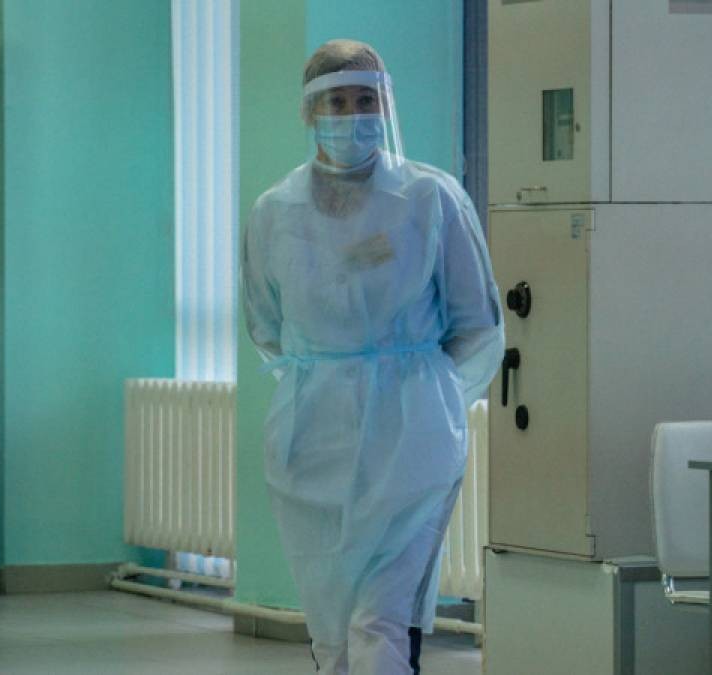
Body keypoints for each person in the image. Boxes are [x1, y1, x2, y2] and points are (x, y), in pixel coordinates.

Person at [241, 39, 504, 675]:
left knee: (379, 618)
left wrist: (421, 392)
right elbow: (266, 324)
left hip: (412, 434)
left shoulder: (430, 199)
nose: (353, 115)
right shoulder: (275, 212)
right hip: (313, 438)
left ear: (386, 106)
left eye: (366, 100)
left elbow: (477, 324)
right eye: (337, 101)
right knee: (331, 627)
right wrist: (336, 372)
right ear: (309, 111)